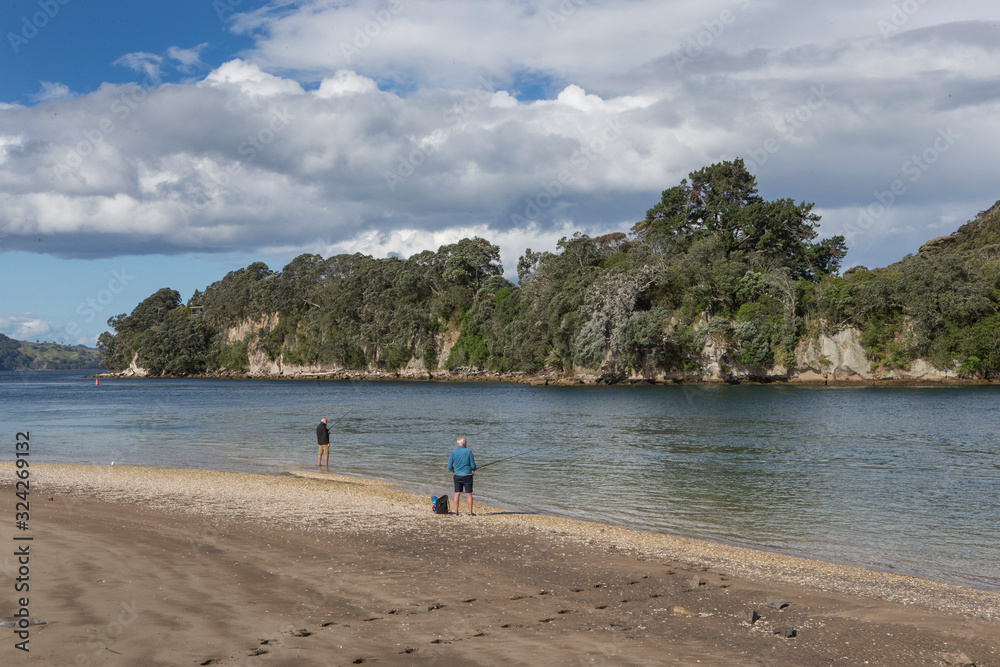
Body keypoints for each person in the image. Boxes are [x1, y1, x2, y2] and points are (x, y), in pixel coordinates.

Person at [448, 436, 477, 516]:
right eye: (466, 442)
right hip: (467, 475)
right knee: (469, 494)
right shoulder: (468, 451)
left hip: (457, 475)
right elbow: (473, 465)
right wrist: (474, 469)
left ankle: (456, 512)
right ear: (463, 442)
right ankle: (470, 513)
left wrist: (455, 471)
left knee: (457, 493)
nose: (466, 443)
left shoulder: (453, 452)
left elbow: (449, 466)